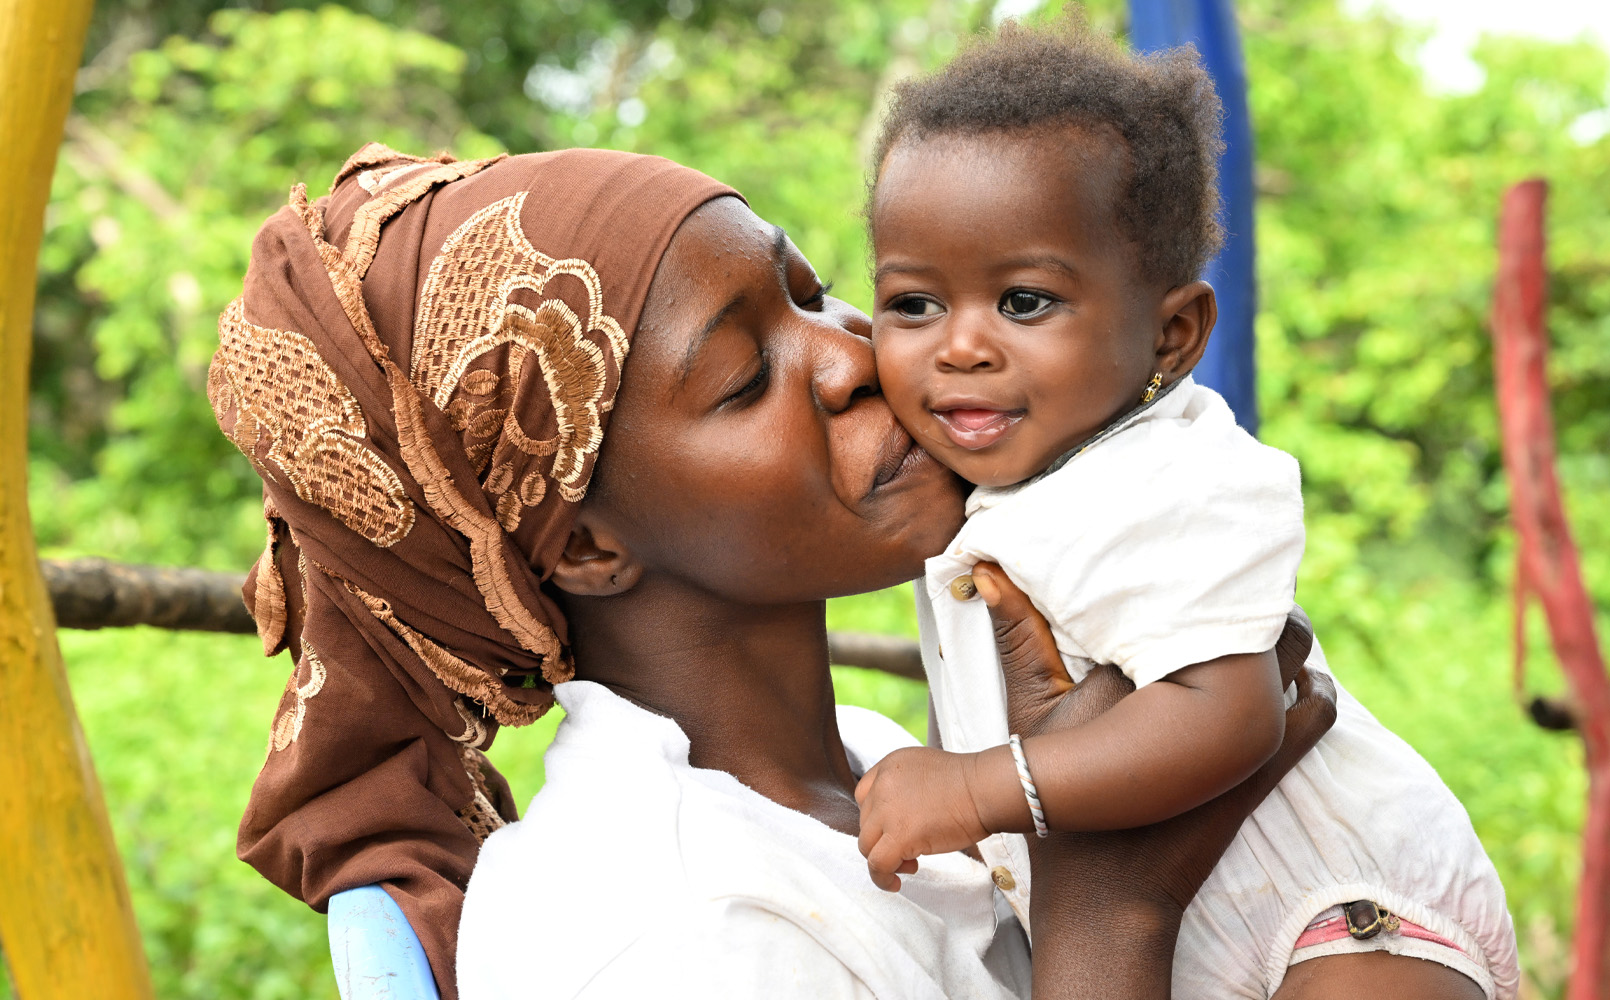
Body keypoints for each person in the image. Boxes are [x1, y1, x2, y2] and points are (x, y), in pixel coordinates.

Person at [206, 140, 1317, 1000]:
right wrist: (1111, 910)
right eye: (744, 377)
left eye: (811, 289)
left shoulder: (875, 766)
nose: (850, 358)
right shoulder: (674, 928)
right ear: (588, 547)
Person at [851, 15, 1519, 1000]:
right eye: (912, 303)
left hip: (1340, 917)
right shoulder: (998, 484)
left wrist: (973, 786)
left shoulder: (1178, 475)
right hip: (1189, 930)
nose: (958, 346)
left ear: (1171, 333)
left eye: (1024, 301)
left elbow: (1231, 712)